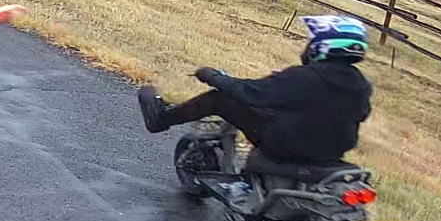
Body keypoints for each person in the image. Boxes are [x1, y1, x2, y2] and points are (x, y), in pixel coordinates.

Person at [136, 15, 373, 167]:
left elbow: (251, 94)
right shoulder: (360, 83)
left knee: (221, 100)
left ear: (322, 46)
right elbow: (360, 114)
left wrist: (213, 77)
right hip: (332, 153)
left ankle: (161, 118)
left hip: (285, 146)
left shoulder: (304, 77)